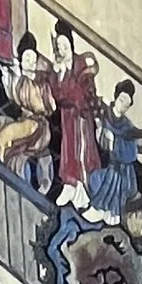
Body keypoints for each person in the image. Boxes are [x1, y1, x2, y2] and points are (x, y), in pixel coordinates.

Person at [0, 33, 57, 192]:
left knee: (6, 138)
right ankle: (6, 167)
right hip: (25, 118)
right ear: (21, 60)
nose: (31, 63)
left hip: (37, 124)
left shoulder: (40, 82)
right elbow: (15, 99)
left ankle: (6, 170)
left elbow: (49, 107)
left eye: (33, 60)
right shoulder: (20, 80)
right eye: (27, 59)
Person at [88, 78, 142, 223]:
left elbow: (141, 141)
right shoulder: (103, 113)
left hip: (119, 168)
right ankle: (101, 207)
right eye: (122, 100)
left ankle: (112, 212)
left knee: (120, 172)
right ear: (116, 97)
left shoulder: (127, 125)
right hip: (100, 161)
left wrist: (115, 141)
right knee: (113, 173)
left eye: (127, 104)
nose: (123, 105)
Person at [52, 36, 101, 204]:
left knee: (83, 150)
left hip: (81, 115)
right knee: (68, 148)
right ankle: (69, 184)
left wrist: (72, 94)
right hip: (67, 117)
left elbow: (86, 92)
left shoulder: (81, 65)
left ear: (71, 45)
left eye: (65, 45)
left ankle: (86, 187)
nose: (62, 49)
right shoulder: (59, 68)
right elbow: (57, 95)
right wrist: (60, 75)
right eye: (59, 46)